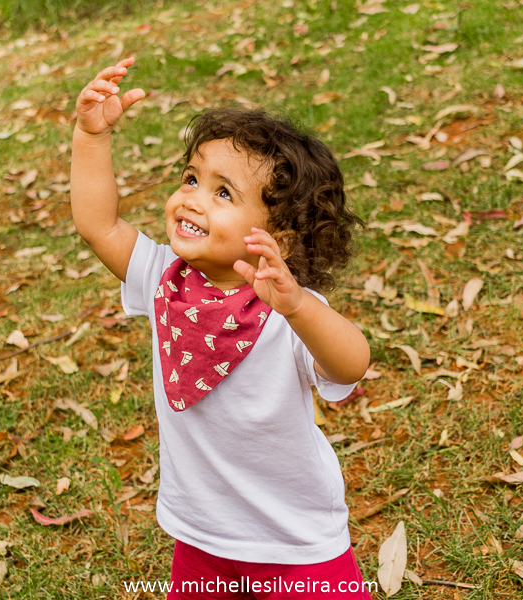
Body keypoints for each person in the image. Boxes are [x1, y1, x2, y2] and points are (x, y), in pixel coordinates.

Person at [71, 57, 373, 599]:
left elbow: (352, 363)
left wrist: (301, 308)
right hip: (202, 534)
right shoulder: (166, 278)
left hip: (294, 544)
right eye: (191, 178)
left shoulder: (287, 309)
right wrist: (91, 137)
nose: (191, 197)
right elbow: (100, 225)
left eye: (223, 193)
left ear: (277, 233)